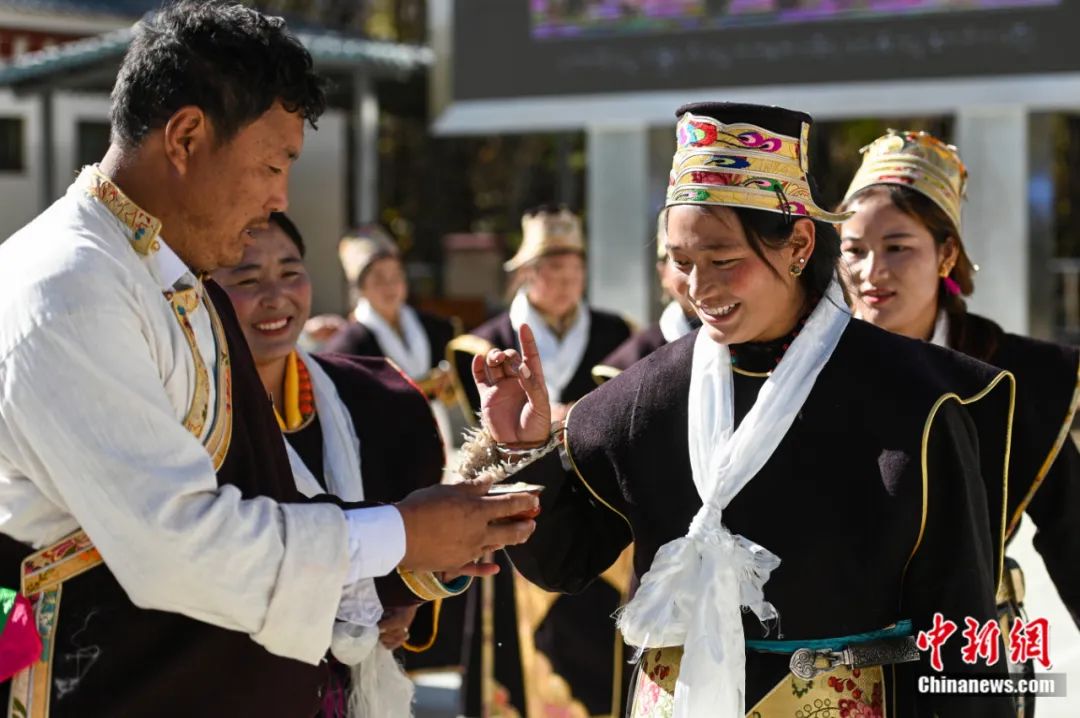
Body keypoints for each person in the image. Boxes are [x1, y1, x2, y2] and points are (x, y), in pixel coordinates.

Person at [0, 3, 536, 715]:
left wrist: (437, 526)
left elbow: (273, 502)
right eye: (272, 163)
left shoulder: (168, 278)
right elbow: (180, 545)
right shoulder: (66, 287)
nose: (279, 197)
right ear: (187, 136)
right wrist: (404, 533)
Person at [465, 102, 1016, 717]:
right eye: (682, 263)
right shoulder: (647, 396)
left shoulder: (916, 401)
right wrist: (521, 447)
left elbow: (964, 631)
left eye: (724, 261)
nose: (700, 288)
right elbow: (563, 564)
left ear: (799, 244)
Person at [838, 128, 1080, 714]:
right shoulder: (803, 367)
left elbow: (1074, 533)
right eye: (853, 249)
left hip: (970, 663)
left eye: (898, 247)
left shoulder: (1016, 376)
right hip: (833, 666)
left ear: (946, 253)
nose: (872, 272)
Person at [214, 213, 470, 716]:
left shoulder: (376, 396)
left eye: (291, 272)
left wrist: (408, 594)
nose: (275, 295)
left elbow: (406, 538)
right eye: (247, 279)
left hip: (352, 683)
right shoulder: (190, 414)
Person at [447, 205, 634, 717]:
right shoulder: (484, 346)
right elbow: (480, 443)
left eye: (576, 268)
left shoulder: (618, 333)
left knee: (600, 653)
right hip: (520, 512)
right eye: (555, 267)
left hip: (599, 509)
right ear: (527, 272)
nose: (568, 279)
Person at [325, 231, 459, 449]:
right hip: (381, 443)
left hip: (434, 430)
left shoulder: (432, 326)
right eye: (378, 278)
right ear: (361, 288)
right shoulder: (348, 344)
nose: (390, 286)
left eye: (396, 276)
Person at [593, 214, 700, 383]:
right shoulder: (637, 357)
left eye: (720, 261)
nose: (700, 277)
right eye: (683, 261)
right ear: (663, 272)